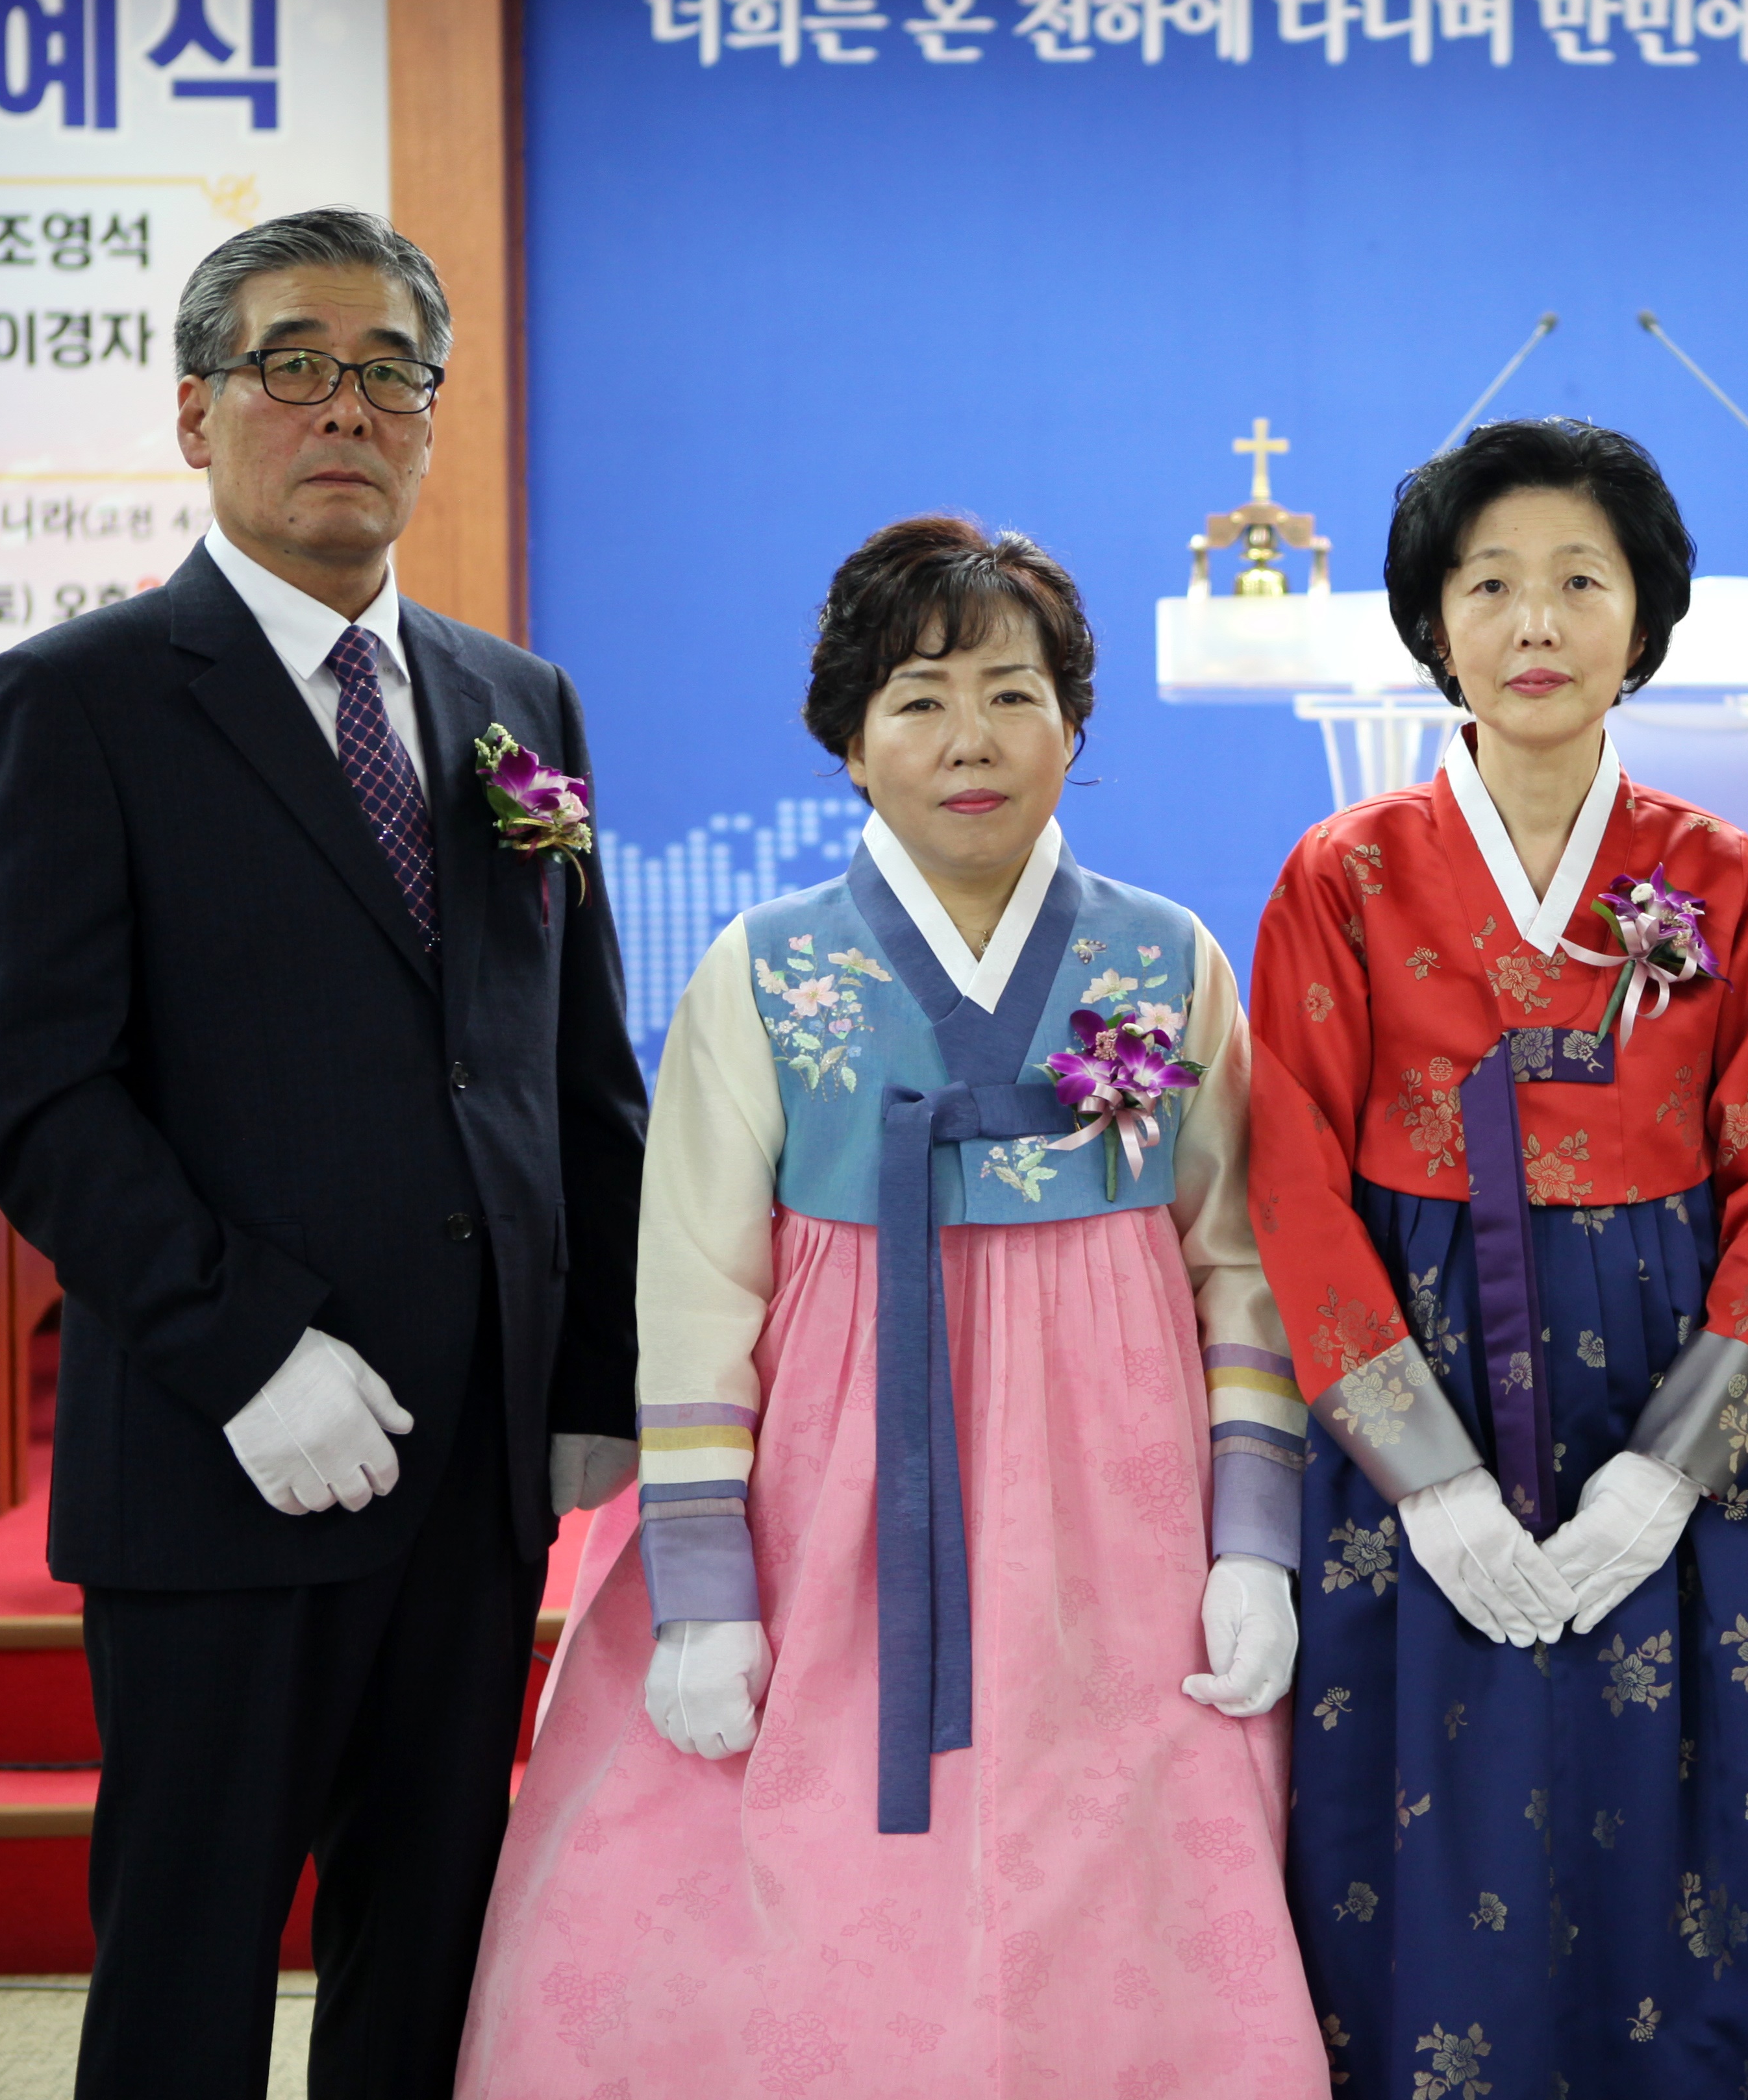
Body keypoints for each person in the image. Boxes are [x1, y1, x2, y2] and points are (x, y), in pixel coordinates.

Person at [456, 516, 1325, 2095]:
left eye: (1013, 695)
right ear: (850, 742)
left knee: (1124, 1872)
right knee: (816, 1875)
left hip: (1118, 1520)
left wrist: (1254, 1542)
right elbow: (696, 1287)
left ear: (1074, 727)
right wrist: (705, 1588)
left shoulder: (1171, 958)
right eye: (919, 699)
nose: (969, 741)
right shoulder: (762, 970)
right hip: (833, 1503)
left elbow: (1240, 1264)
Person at [0, 206, 650, 2097]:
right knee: (189, 1954)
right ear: (199, 412)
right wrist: (247, 1349)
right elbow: (33, 1086)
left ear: (431, 415)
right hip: (222, 1444)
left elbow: (578, 1075)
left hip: (477, 1457)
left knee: (429, 1951)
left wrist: (594, 1373)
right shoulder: (74, 702)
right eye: (294, 365)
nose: (347, 409)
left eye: (390, 372)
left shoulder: (518, 703)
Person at [1247, 419, 1748, 2100]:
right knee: (1426, 1838)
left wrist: (1676, 1470)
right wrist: (1425, 1480)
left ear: (1643, 618)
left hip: (1666, 1391)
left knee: (1686, 1838)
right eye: (1489, 582)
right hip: (1417, 1399)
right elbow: (1293, 1180)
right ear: (1433, 622)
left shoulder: (1724, 883)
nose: (1535, 623)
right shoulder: (1343, 878)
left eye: (1582, 581)